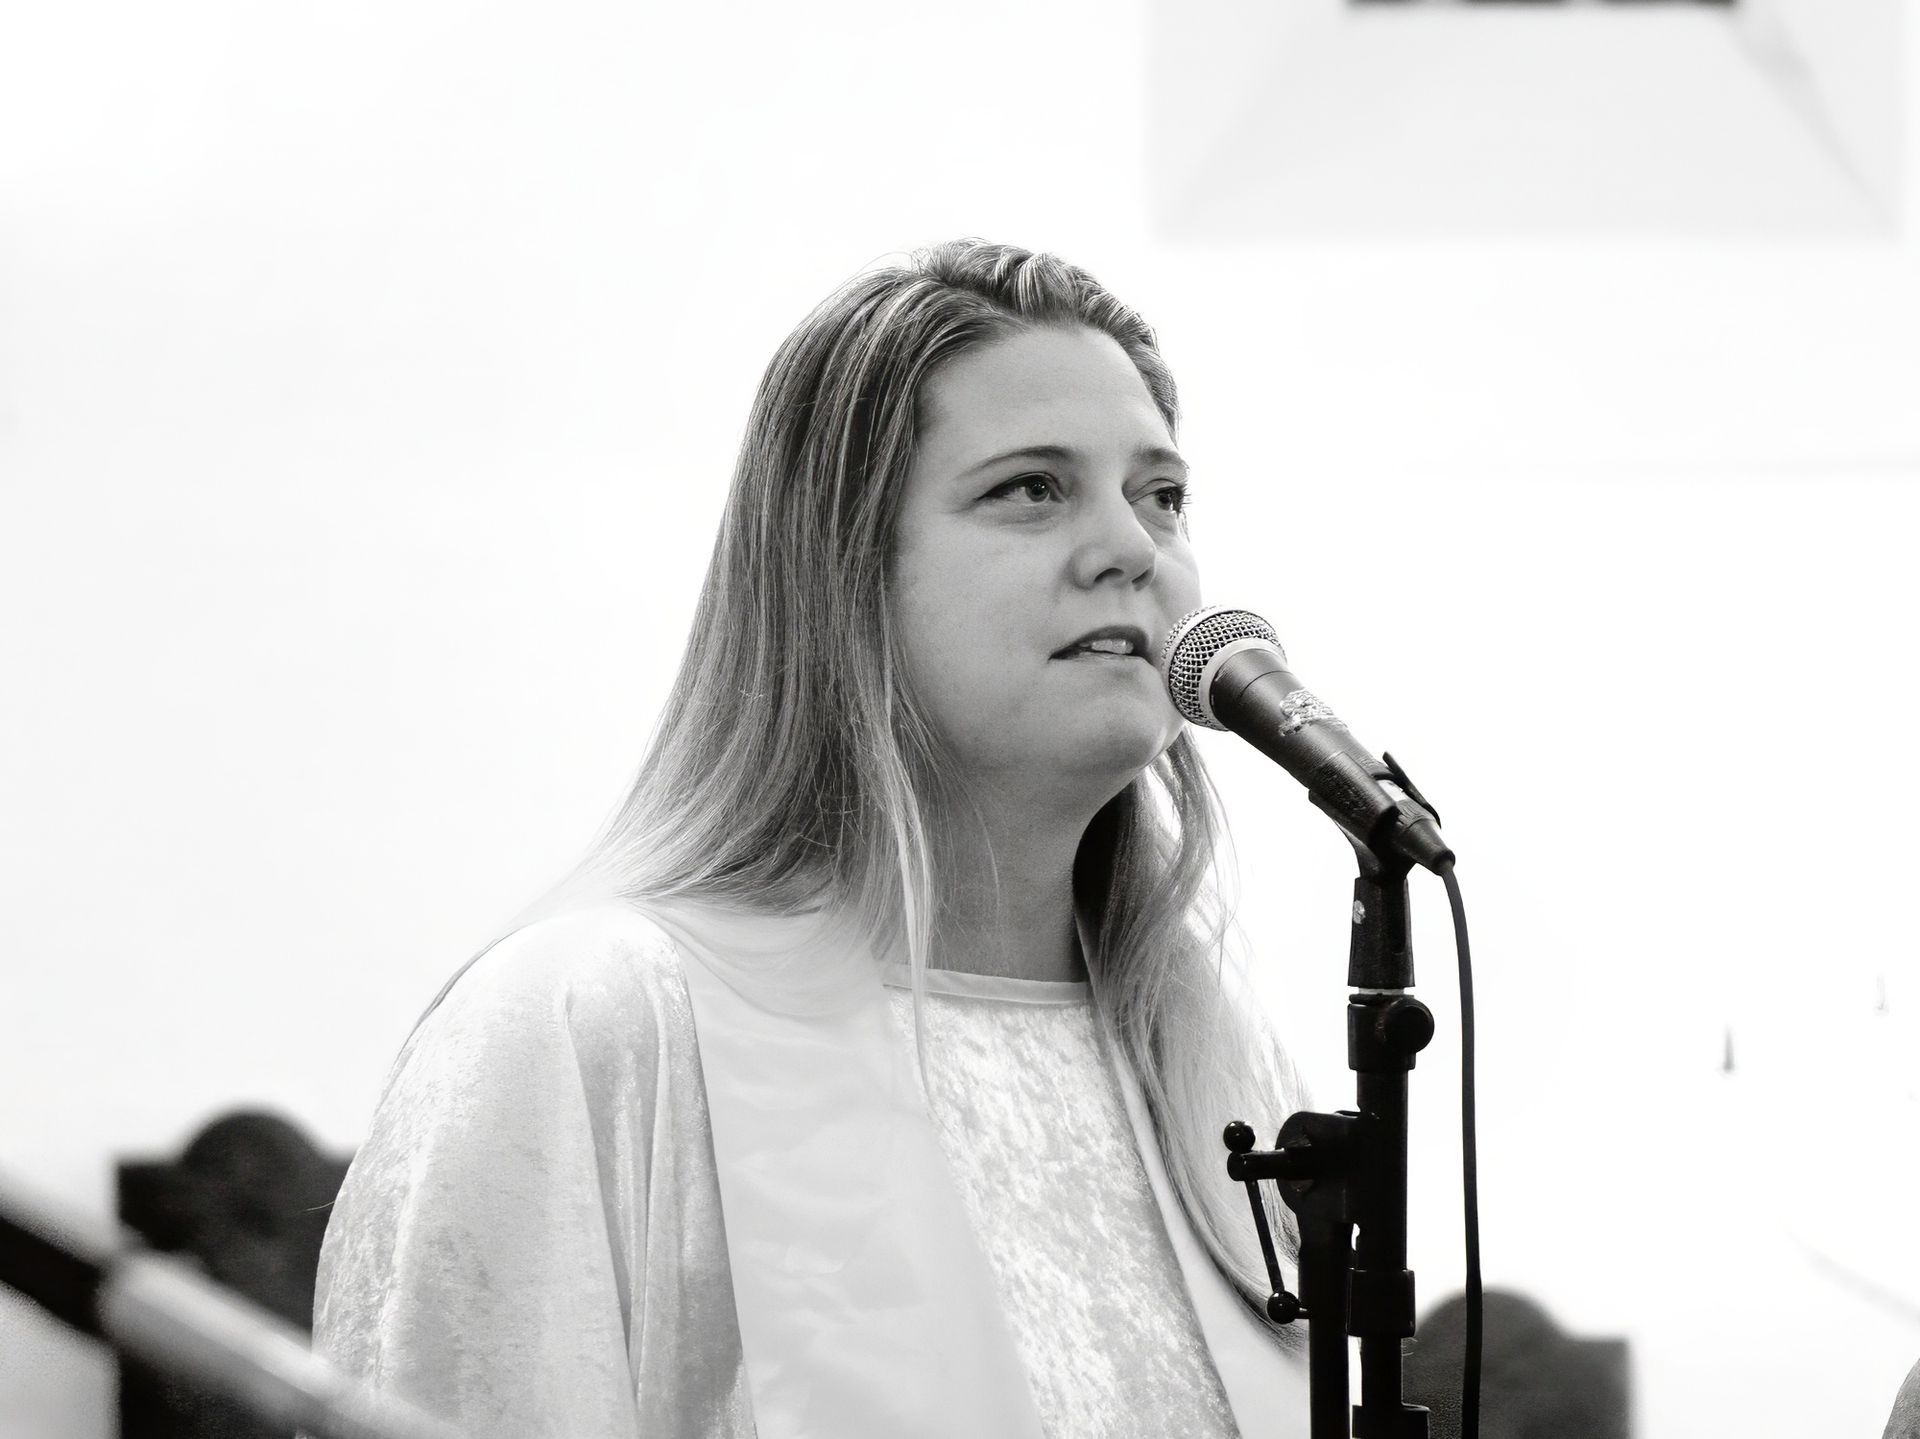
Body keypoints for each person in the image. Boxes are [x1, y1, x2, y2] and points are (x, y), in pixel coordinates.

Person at [311, 239, 1312, 1438]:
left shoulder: (1210, 1060)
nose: (1133, 548)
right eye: (1031, 488)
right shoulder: (601, 1018)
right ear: (842, 573)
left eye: (1162, 495)